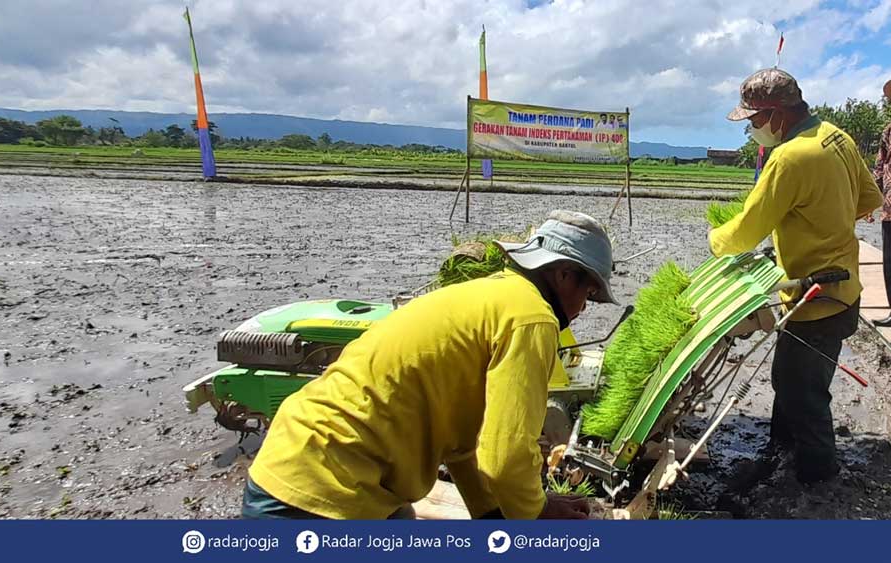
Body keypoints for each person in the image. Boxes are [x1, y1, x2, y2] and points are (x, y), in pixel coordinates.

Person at [243, 210, 618, 519]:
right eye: (587, 293)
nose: (584, 308)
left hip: (294, 460)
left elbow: (464, 445)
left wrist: (490, 515)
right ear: (563, 273)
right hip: (324, 491)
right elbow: (505, 458)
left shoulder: (489, 295)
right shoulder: (532, 318)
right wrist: (537, 512)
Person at [710, 68, 883, 484]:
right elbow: (869, 198)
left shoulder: (788, 158)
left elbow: (746, 231)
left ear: (776, 115)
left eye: (753, 120)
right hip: (843, 287)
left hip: (819, 296)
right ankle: (782, 450)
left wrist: (715, 239)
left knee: (802, 390)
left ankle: (817, 478)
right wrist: (824, 223)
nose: (752, 130)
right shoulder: (834, 135)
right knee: (791, 377)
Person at [872, 79, 891, 327]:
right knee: (890, 264)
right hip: (890, 208)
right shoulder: (888, 131)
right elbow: (879, 166)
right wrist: (871, 201)